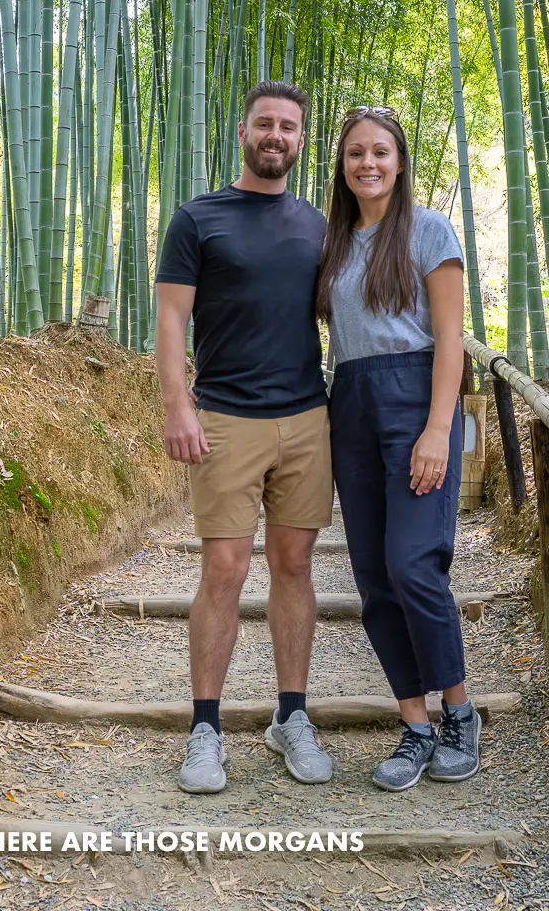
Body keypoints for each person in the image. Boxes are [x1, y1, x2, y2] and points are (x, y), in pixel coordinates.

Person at [155, 80, 335, 795]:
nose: (276, 136)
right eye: (265, 124)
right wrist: (178, 406)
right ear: (243, 132)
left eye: (289, 127)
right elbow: (171, 320)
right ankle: (205, 728)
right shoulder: (199, 219)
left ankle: (292, 716)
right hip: (225, 414)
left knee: (294, 565)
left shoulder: (321, 225)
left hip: (304, 415)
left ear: (299, 141)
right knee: (225, 568)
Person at [317, 106, 479, 792]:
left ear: (401, 161)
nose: (368, 163)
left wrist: (439, 429)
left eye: (380, 151)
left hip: (417, 397)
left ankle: (460, 712)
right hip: (350, 402)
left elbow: (451, 339)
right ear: (343, 166)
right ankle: (413, 725)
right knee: (375, 577)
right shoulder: (333, 242)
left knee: (414, 565)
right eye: (355, 153)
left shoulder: (428, 230)